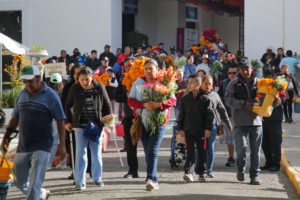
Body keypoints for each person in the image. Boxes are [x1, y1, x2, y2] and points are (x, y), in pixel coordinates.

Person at [1, 65, 66, 200]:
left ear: (38, 78)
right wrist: (6, 140)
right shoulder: (22, 94)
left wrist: (62, 145)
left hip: (42, 146)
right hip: (24, 146)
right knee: (19, 181)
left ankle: (36, 194)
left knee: (35, 184)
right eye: (24, 81)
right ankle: (42, 194)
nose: (27, 84)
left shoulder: (51, 96)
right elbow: (15, 118)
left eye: (29, 80)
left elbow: (60, 120)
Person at [128, 59, 176, 191]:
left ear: (157, 69)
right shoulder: (139, 82)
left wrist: (159, 105)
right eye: (146, 69)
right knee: (147, 151)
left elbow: (172, 100)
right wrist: (143, 105)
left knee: (152, 150)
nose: (148, 71)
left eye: (151, 68)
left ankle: (149, 178)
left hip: (159, 122)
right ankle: (154, 179)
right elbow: (130, 100)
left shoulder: (163, 81)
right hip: (143, 121)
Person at [65, 67, 113, 190]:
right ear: (78, 79)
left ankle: (97, 178)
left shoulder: (99, 87)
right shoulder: (75, 88)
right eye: (82, 80)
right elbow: (67, 105)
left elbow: (107, 105)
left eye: (87, 79)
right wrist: (68, 121)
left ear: (92, 78)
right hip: (79, 125)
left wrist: (109, 121)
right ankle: (80, 182)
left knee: (96, 153)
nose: (85, 82)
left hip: (96, 125)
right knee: (81, 154)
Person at [225, 58, 264, 185]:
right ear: (239, 70)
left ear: (251, 69)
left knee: (255, 151)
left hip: (256, 122)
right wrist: (242, 104)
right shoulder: (234, 83)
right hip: (239, 122)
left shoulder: (260, 83)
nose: (245, 71)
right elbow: (228, 99)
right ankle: (240, 168)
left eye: (247, 68)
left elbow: (267, 99)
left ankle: (255, 176)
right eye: (242, 68)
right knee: (241, 147)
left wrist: (275, 102)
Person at [177, 74, 214, 182]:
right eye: (188, 83)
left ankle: (201, 171)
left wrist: (208, 128)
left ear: (198, 84)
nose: (188, 85)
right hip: (188, 129)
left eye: (191, 83)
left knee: (202, 151)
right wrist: (180, 128)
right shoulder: (185, 99)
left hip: (201, 130)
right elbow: (182, 114)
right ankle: (188, 172)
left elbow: (209, 115)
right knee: (190, 151)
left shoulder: (205, 98)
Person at [201, 75, 232, 177]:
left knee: (210, 147)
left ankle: (209, 169)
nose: (208, 86)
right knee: (199, 148)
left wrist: (228, 124)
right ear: (201, 84)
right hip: (199, 125)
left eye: (210, 83)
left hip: (212, 126)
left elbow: (222, 110)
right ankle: (200, 168)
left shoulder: (215, 95)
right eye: (205, 83)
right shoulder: (197, 95)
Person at [114, 62, 139, 178]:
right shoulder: (124, 79)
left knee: (149, 146)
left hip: (144, 116)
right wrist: (126, 96)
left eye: (131, 65)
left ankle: (151, 173)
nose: (129, 68)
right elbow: (117, 97)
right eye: (127, 66)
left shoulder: (142, 78)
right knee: (130, 144)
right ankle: (133, 171)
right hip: (129, 116)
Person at [61, 64, 83, 180]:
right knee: (73, 146)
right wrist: (66, 121)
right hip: (71, 121)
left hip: (86, 122)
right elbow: (64, 104)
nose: (78, 76)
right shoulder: (69, 86)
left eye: (80, 73)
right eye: (76, 73)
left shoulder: (88, 85)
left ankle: (85, 170)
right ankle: (75, 170)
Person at [261, 69, 283, 172]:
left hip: (275, 118)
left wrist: (279, 100)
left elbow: (284, 98)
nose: (269, 77)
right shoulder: (263, 87)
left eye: (271, 75)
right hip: (264, 118)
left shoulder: (280, 87)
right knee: (265, 142)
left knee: (275, 142)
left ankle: (276, 164)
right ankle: (268, 162)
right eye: (267, 75)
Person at [218, 66, 238, 166]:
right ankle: (231, 157)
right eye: (229, 73)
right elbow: (219, 97)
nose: (231, 75)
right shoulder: (224, 83)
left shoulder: (241, 83)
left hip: (240, 115)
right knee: (229, 138)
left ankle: (240, 157)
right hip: (228, 114)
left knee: (239, 137)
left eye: (233, 73)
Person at [47, 73, 67, 170]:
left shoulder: (48, 92)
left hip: (53, 118)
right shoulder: (63, 92)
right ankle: (63, 162)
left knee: (53, 141)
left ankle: (48, 164)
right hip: (62, 118)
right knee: (63, 141)